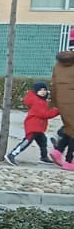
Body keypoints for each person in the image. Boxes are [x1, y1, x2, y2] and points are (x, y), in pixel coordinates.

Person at [6, 81, 60, 164]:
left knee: (43, 141)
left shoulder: (42, 101)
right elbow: (45, 114)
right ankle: (12, 154)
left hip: (39, 127)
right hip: (33, 126)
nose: (43, 92)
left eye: (44, 90)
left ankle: (44, 157)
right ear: (36, 91)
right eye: (40, 90)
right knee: (27, 141)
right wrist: (58, 111)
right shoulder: (37, 101)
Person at [51, 35, 74, 167]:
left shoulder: (59, 64)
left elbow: (54, 85)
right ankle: (70, 161)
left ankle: (58, 151)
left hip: (62, 102)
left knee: (70, 128)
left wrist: (55, 103)